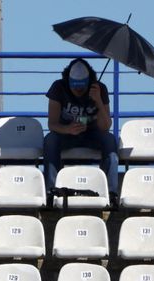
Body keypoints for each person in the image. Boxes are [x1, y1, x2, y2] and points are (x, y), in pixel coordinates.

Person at [43, 58, 120, 195]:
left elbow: (106, 126)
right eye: (74, 87)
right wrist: (67, 129)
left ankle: (111, 193)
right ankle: (51, 190)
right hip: (66, 134)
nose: (78, 90)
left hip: (92, 134)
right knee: (50, 140)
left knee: (109, 140)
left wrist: (98, 101)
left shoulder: (99, 89)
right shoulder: (58, 88)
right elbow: (52, 124)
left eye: (81, 87)